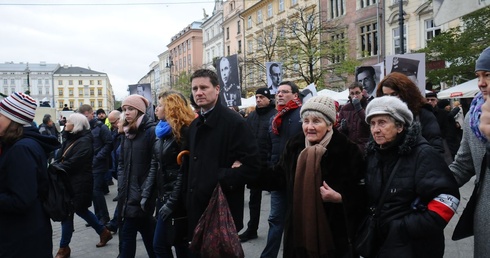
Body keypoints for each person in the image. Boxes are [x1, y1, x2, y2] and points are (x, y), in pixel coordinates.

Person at [364, 96, 460, 257]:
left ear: (400, 126)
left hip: (415, 248)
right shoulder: (373, 154)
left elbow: (448, 199)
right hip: (382, 244)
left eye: (382, 122)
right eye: (372, 124)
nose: (375, 129)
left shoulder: (423, 154)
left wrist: (403, 227)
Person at [275, 95, 367, 257]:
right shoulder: (294, 145)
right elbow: (279, 177)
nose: (309, 127)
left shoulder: (347, 150)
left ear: (330, 124)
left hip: (334, 235)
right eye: (306, 121)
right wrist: (250, 170)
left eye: (316, 121)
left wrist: (340, 197)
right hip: (299, 230)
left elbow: (363, 192)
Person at [187, 69, 259, 257]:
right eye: (195, 88)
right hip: (196, 208)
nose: (199, 92)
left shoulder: (234, 122)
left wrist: (219, 176)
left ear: (217, 89)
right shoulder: (194, 125)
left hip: (222, 209)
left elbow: (253, 167)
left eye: (204, 87)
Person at [0, 92, 61, 258]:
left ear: (14, 119)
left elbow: (21, 200)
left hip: (21, 239)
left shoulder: (21, 149)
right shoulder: (19, 144)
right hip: (24, 233)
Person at [141, 91, 195, 257]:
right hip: (163, 197)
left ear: (171, 108)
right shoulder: (161, 132)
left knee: (164, 245)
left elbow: (183, 172)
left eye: (161, 105)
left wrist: (172, 202)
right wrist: (146, 193)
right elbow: (154, 165)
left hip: (178, 200)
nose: (156, 109)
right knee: (177, 243)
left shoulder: (184, 133)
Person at [54, 113, 113, 258]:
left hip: (79, 183)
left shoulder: (84, 141)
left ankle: (63, 248)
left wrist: (55, 167)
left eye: (68, 121)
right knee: (79, 210)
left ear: (76, 125)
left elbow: (74, 162)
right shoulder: (70, 138)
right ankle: (103, 232)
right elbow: (61, 156)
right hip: (69, 182)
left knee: (69, 213)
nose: (65, 123)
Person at [453, 46, 490, 257]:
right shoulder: (473, 117)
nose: (481, 83)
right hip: (485, 220)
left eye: (488, 75)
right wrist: (427, 183)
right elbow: (462, 165)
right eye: (478, 76)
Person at [261, 81, 303, 258]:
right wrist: (269, 170)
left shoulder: (302, 115)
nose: (279, 95)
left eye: (285, 92)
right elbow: (269, 148)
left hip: (298, 177)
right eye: (278, 92)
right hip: (279, 178)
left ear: (295, 95)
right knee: (275, 220)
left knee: (298, 222)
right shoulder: (274, 118)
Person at [117, 95, 157, 258]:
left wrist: (144, 190)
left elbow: (155, 164)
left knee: (128, 238)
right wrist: (121, 183)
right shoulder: (126, 133)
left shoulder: (151, 131)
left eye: (131, 109)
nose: (126, 113)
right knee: (147, 235)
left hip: (141, 195)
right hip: (127, 194)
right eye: (124, 109)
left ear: (140, 111)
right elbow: (121, 162)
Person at [239, 88, 277, 242]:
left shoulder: (275, 115)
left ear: (269, 99)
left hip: (271, 165)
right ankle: (252, 229)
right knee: (254, 199)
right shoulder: (251, 116)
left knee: (277, 200)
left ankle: (278, 231)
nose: (258, 99)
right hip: (255, 165)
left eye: (262, 97)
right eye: (257, 97)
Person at [376, 72, 445, 154]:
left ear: (406, 93)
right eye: (385, 95)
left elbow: (436, 148)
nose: (390, 99)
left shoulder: (423, 114)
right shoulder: (380, 117)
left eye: (394, 94)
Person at [79, 104, 112, 225]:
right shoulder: (85, 128)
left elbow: (109, 143)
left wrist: (98, 157)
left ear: (90, 114)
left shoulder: (101, 127)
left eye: (85, 116)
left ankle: (104, 217)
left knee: (97, 191)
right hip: (89, 164)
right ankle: (98, 217)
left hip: (99, 164)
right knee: (93, 192)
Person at [337, 82, 371, 151]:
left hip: (365, 147)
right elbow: (337, 130)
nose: (355, 96)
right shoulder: (345, 108)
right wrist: (342, 127)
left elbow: (369, 124)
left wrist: (359, 108)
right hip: (350, 148)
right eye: (352, 93)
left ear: (362, 93)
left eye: (357, 93)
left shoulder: (369, 106)